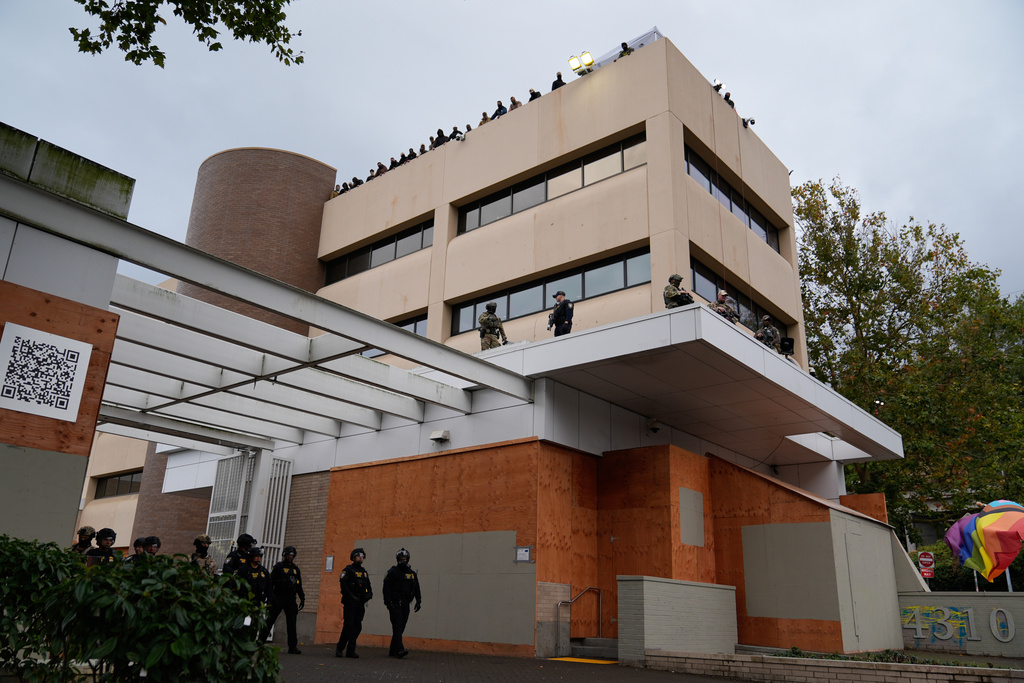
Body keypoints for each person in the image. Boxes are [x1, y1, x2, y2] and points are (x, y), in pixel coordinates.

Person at [382, 548, 421, 659]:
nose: (403, 561)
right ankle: (399, 649)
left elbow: (417, 587)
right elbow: (386, 588)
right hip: (395, 603)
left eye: (404, 559)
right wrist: (387, 602)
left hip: (406, 603)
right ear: (397, 559)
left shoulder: (412, 574)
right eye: (401, 559)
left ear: (408, 559)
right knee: (397, 625)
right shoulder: (392, 572)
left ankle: (393, 650)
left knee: (401, 627)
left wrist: (418, 601)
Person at [266, 545, 305, 654]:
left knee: (292, 623)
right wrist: (270, 597)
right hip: (278, 597)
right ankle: (260, 643)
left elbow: (299, 585)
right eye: (288, 555)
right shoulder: (278, 567)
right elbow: (270, 582)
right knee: (270, 620)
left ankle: (292, 646)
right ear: (284, 555)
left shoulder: (295, 569)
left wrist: (302, 598)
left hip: (290, 598)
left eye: (292, 555)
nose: (290, 557)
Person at [335, 547, 372, 658]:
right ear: (353, 557)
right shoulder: (348, 570)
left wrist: (369, 595)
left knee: (357, 626)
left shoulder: (364, 572)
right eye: (358, 556)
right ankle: (340, 648)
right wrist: (351, 596)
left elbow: (368, 586)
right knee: (348, 626)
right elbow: (344, 586)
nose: (360, 558)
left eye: (362, 556)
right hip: (350, 602)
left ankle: (351, 650)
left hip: (360, 602)